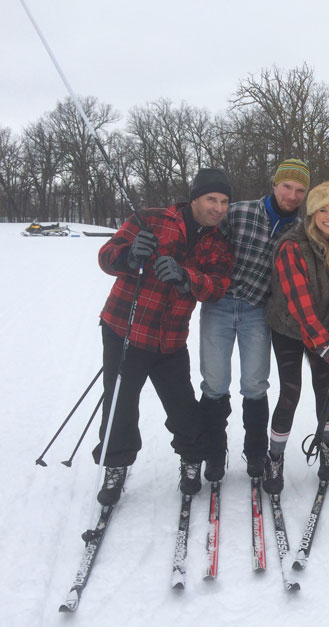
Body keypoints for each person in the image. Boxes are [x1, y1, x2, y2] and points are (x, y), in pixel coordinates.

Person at [94, 168, 235, 505]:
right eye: (212, 199)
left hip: (170, 339)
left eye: (225, 202)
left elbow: (218, 285)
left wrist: (186, 278)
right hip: (124, 329)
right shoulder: (150, 220)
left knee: (183, 407)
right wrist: (131, 255)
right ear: (195, 198)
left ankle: (191, 460)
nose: (218, 208)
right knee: (120, 404)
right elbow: (106, 258)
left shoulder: (218, 242)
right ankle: (115, 465)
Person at [198, 159, 310, 482]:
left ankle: (257, 451)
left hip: (257, 311)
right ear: (274, 185)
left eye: (299, 190)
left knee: (255, 384)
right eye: (286, 186)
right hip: (220, 303)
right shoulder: (240, 211)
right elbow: (207, 242)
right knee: (215, 383)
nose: (292, 195)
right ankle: (215, 453)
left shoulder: (299, 230)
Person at [261, 182, 329, 493]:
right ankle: (274, 458)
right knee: (290, 392)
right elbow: (300, 305)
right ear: (312, 213)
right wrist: (327, 347)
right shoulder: (291, 246)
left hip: (325, 325)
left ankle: (328, 449)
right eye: (323, 210)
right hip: (290, 328)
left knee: (325, 388)